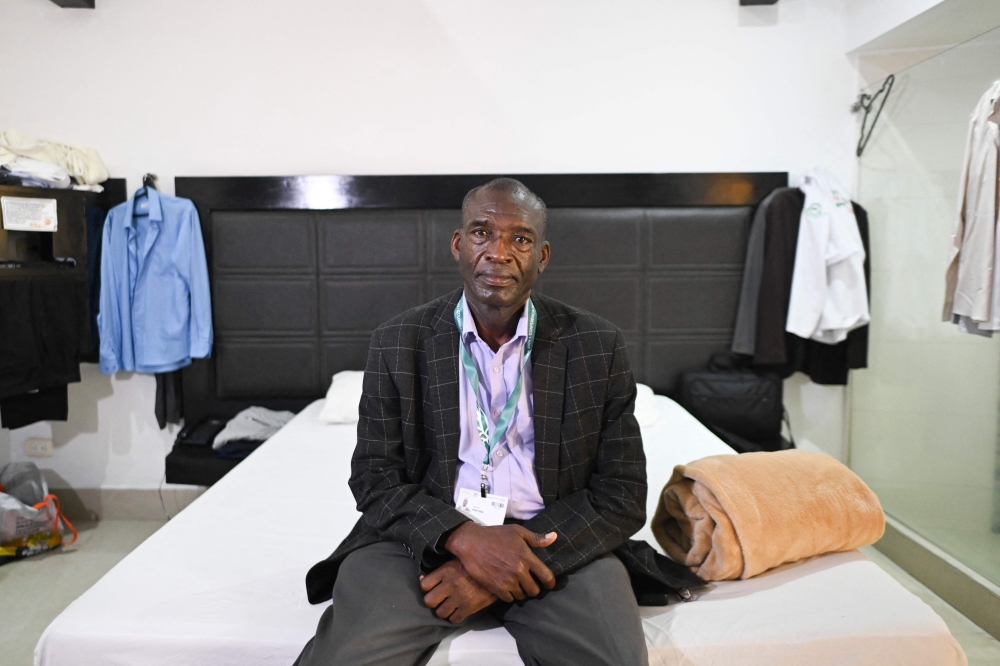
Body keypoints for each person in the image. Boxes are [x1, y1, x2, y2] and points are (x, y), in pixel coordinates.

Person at [295, 178, 700, 666]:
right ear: (459, 244)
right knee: (345, 659)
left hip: (557, 543)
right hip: (425, 541)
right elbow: (374, 477)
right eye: (482, 233)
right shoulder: (398, 341)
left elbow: (622, 494)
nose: (499, 252)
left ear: (542, 256)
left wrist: (501, 566)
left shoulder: (597, 345)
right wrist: (465, 541)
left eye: (521, 239)